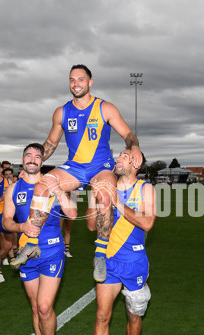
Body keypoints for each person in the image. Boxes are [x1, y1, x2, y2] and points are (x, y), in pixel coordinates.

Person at [11, 64, 143, 286]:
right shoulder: (62, 112)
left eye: (81, 79)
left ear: (90, 82)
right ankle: (32, 243)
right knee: (43, 185)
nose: (76, 84)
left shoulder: (105, 108)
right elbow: (51, 143)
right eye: (72, 80)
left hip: (101, 166)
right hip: (74, 166)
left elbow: (128, 134)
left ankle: (101, 254)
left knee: (105, 196)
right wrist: (33, 163)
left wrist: (135, 147)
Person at [81, 148, 155, 335]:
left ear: (135, 162)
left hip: (134, 261)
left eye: (123, 155)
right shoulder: (105, 186)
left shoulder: (145, 189)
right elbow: (92, 226)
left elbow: (147, 222)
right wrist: (96, 196)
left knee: (134, 315)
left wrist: (117, 203)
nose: (117, 159)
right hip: (108, 261)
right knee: (102, 316)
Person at [3, 143, 76, 335]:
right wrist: (20, 226)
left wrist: (60, 192)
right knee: (35, 308)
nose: (32, 159)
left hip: (52, 253)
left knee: (45, 307)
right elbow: (6, 222)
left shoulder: (53, 184)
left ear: (42, 161)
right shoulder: (13, 189)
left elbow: (73, 214)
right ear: (23, 160)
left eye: (37, 156)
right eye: (28, 155)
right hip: (27, 254)